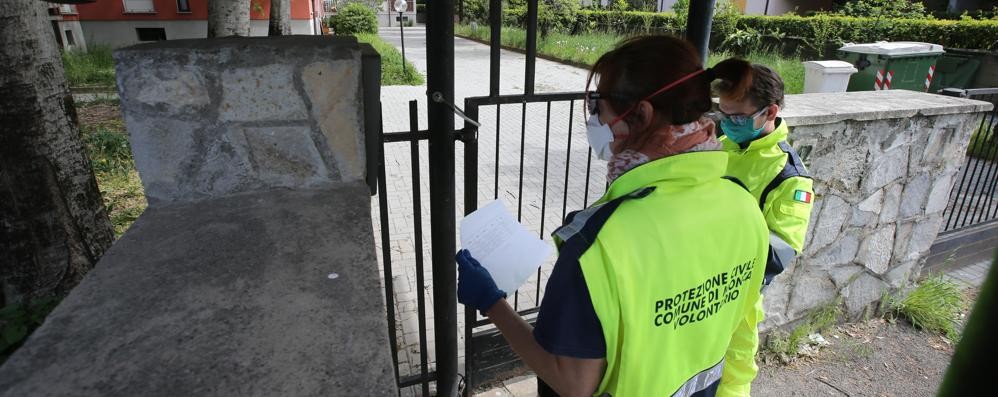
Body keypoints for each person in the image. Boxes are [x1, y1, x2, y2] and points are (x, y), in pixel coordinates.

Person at [456, 35, 770, 397]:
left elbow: (573, 383)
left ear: (642, 115)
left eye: (597, 104)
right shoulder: (744, 205)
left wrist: (492, 304)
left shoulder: (599, 245)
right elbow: (744, 331)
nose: (593, 118)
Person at [713, 60, 815, 287]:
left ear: (770, 112)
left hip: (733, 288)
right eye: (723, 115)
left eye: (737, 118)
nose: (728, 124)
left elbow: (778, 254)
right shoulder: (721, 145)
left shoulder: (789, 178)